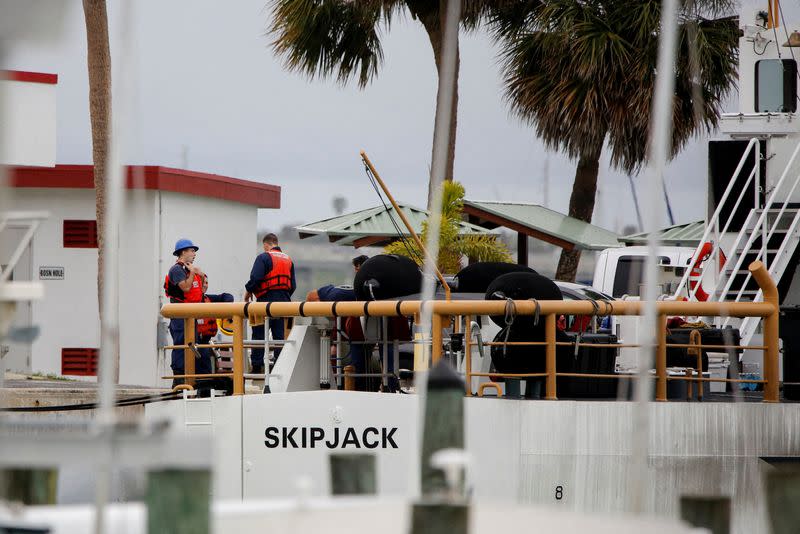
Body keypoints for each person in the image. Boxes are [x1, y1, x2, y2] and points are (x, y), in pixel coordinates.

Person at [245, 233, 296, 374]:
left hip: (265, 301)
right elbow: (293, 285)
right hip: (284, 304)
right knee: (280, 336)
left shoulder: (263, 257)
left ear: (266, 245)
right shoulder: (288, 260)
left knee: (259, 335)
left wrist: (248, 291)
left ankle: (256, 367)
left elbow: (255, 278)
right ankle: (279, 367)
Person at [164, 238, 203, 386]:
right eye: (192, 250)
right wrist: (193, 273)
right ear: (183, 252)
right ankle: (179, 380)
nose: (194, 253)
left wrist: (200, 274)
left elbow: (201, 290)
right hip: (180, 316)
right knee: (181, 345)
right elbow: (186, 288)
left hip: (191, 316)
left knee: (194, 345)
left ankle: (192, 378)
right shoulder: (176, 270)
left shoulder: (189, 269)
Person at [196, 274, 234, 376]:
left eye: (207, 283)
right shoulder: (190, 301)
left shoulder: (208, 299)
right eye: (203, 282)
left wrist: (226, 308)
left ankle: (205, 387)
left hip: (205, 341)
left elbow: (227, 296)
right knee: (201, 364)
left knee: (206, 365)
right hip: (195, 342)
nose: (205, 285)